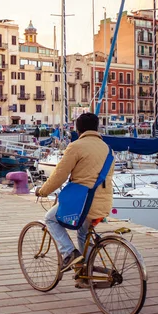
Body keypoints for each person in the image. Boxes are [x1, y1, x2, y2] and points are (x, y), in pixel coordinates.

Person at [36, 113, 114, 281]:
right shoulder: (107, 148)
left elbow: (60, 175)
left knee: (50, 218)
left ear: (78, 130)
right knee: (83, 233)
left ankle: (69, 253)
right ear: (97, 127)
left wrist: (43, 191)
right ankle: (85, 273)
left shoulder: (76, 146)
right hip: (103, 202)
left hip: (83, 202)